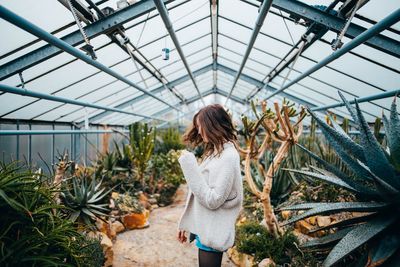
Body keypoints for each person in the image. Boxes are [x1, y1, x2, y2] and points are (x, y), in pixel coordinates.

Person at [176, 104, 243, 267]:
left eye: (200, 126)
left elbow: (213, 199)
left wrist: (190, 167)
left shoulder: (228, 156)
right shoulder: (216, 152)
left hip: (214, 231)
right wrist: (188, 224)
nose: (198, 131)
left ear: (212, 125)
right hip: (206, 227)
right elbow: (199, 190)